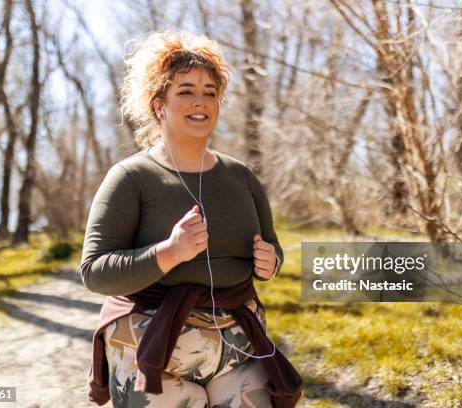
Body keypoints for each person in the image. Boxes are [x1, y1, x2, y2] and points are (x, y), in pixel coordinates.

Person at [80, 31, 302, 408]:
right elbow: (95, 271)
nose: (200, 101)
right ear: (158, 106)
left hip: (238, 344)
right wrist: (169, 252)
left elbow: (272, 247)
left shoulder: (242, 177)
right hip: (149, 346)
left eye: (210, 91)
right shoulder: (131, 177)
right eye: (185, 90)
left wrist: (270, 263)